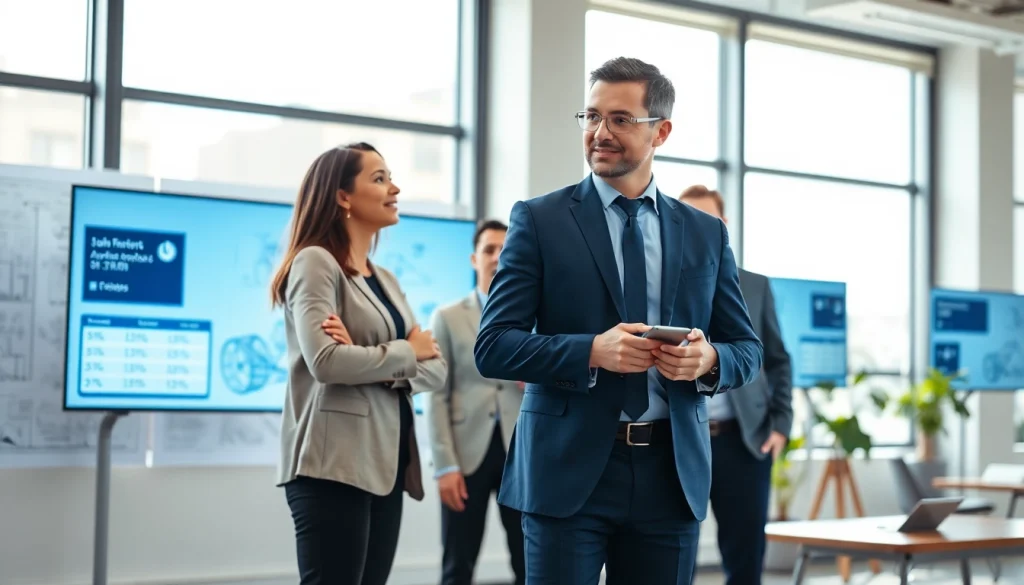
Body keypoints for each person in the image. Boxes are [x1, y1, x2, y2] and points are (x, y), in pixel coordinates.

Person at [473, 56, 763, 585]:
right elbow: (493, 345)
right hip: (565, 471)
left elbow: (747, 348)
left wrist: (709, 359)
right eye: (591, 116)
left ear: (661, 132)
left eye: (620, 119)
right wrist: (591, 351)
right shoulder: (538, 220)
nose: (600, 132)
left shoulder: (705, 233)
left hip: (670, 476)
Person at [271, 142, 447, 585]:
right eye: (379, 179)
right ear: (342, 196)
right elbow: (327, 362)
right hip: (333, 463)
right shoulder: (315, 262)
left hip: (385, 465)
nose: (395, 189)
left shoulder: (385, 279)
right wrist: (404, 352)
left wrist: (373, 359)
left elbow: (437, 368)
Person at [679, 185, 793, 585]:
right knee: (675, 553)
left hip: (744, 440)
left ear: (723, 225)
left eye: (706, 219)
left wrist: (781, 425)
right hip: (680, 438)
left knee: (745, 557)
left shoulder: (755, 286)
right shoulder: (662, 283)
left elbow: (777, 359)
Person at [424, 219, 526, 585]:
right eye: (489, 249)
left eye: (505, 249)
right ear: (474, 258)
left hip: (521, 452)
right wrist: (445, 466)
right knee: (458, 562)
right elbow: (436, 395)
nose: (497, 257)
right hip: (465, 456)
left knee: (530, 561)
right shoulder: (448, 317)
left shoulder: (532, 316)